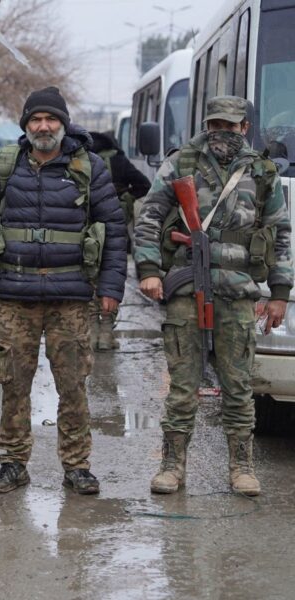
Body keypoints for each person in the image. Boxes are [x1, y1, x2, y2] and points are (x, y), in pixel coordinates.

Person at [0, 86, 127, 496]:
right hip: (14, 296)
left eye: (51, 119)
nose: (44, 126)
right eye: (36, 119)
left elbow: (115, 229)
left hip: (70, 296)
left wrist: (110, 287)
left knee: (73, 385)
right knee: (13, 384)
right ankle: (13, 464)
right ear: (26, 125)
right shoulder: (2, 166)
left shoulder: (89, 167)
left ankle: (77, 466)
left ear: (63, 124)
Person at [134, 95, 293, 497]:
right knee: (183, 384)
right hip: (187, 289)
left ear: (245, 128)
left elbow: (281, 234)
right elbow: (150, 216)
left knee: (238, 384)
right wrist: (150, 270)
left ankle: (242, 466)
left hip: (239, 292)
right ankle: (172, 466)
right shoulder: (182, 163)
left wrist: (280, 292)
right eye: (215, 124)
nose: (222, 132)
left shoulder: (262, 171)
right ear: (207, 125)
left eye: (231, 125)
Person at [87, 130, 152, 350]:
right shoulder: (119, 159)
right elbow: (144, 185)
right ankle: (106, 333)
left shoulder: (82, 159)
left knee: (89, 281)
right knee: (111, 279)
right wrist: (125, 197)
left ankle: (92, 332)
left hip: (87, 232)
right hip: (115, 229)